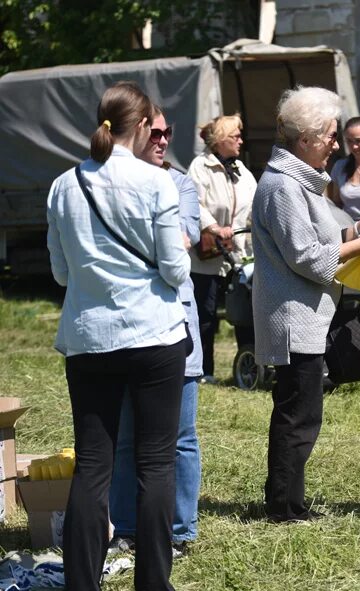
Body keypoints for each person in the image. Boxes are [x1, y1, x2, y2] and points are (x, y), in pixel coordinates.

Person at [46, 81, 189, 591]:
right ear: (146, 125)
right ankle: (154, 588)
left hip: (89, 338)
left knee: (92, 467)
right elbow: (175, 268)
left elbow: (61, 273)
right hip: (154, 334)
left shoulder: (64, 185)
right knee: (155, 464)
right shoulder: (156, 183)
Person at [252, 86, 360, 523]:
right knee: (298, 417)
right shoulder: (282, 187)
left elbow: (320, 242)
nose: (336, 144)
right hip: (293, 319)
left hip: (305, 317)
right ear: (306, 139)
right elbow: (308, 258)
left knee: (302, 414)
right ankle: (283, 508)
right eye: (331, 136)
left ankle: (289, 502)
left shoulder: (297, 182)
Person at [109, 105, 203, 558]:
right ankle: (127, 528)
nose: (163, 141)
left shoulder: (181, 182)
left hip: (177, 324)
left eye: (169, 132)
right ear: (138, 132)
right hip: (127, 326)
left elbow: (186, 238)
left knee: (181, 436)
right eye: (156, 133)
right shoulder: (113, 181)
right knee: (127, 437)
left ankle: (181, 531)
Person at [187, 113, 256, 384]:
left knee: (244, 311)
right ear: (220, 140)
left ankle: (247, 365)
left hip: (239, 254)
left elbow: (255, 203)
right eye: (235, 136)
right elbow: (193, 203)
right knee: (205, 314)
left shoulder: (241, 170)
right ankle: (204, 371)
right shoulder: (200, 167)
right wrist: (215, 227)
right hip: (208, 256)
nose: (241, 140)